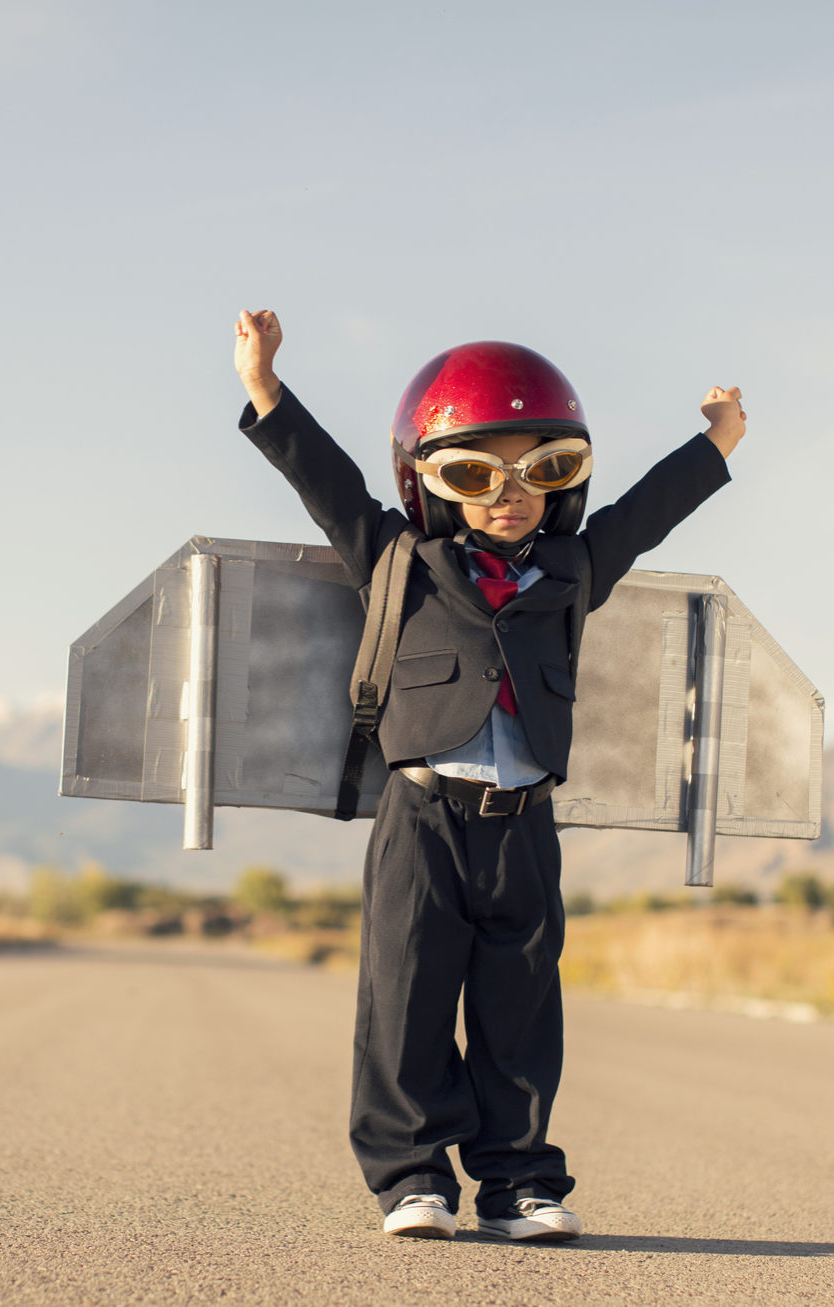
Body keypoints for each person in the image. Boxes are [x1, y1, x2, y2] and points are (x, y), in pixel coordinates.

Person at [234, 308, 745, 1242]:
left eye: (540, 469)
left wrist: (715, 442)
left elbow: (647, 512)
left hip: (522, 819)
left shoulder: (576, 568)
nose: (509, 494)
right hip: (422, 810)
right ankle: (411, 1177)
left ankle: (518, 1183)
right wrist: (265, 387)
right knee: (407, 993)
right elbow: (326, 484)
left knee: (520, 1006)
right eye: (476, 473)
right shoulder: (398, 558)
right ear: (430, 482)